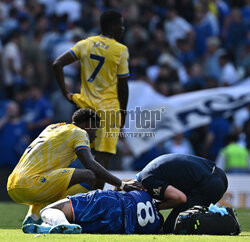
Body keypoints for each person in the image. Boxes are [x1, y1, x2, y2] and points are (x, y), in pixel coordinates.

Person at [7, 108, 141, 227]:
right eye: (96, 129)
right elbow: (91, 164)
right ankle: (57, 214)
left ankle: (33, 218)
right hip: (31, 184)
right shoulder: (79, 133)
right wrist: (121, 184)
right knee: (88, 176)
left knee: (62, 183)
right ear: (87, 125)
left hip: (13, 184)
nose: (96, 134)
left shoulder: (53, 127)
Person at [52, 10, 130, 189]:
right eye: (121, 24)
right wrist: (123, 113)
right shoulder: (120, 50)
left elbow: (57, 64)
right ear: (112, 26)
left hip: (84, 107)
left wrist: (66, 93)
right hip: (108, 110)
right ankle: (95, 202)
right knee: (102, 158)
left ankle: (56, 191)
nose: (123, 28)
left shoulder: (85, 44)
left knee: (79, 152)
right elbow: (123, 86)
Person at [136, 153, 228, 234]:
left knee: (170, 227)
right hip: (218, 174)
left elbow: (180, 198)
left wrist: (156, 207)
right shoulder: (148, 170)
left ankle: (225, 224)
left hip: (209, 184)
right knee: (194, 219)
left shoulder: (147, 180)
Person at [22, 190, 162, 234]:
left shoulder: (145, 193)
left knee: (49, 210)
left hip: (110, 201)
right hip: (119, 225)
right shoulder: (155, 225)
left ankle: (61, 223)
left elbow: (121, 184)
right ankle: (46, 229)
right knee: (78, 225)